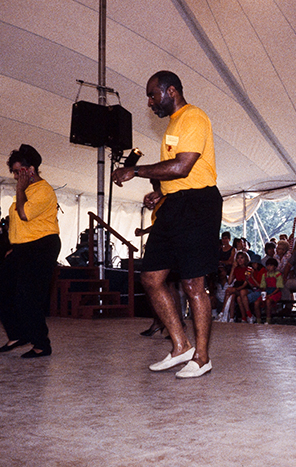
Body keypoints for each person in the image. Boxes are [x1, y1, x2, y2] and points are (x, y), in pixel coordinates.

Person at [112, 70, 222, 379]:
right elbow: (174, 172)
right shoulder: (173, 125)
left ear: (170, 90)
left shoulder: (194, 117)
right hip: (173, 205)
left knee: (193, 284)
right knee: (150, 278)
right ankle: (180, 347)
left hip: (198, 204)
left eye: (152, 94)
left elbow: (184, 166)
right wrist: (159, 192)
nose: (149, 102)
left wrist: (136, 171)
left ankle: (201, 357)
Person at [0, 145, 61, 358]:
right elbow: (19, 225)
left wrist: (20, 189)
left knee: (28, 296)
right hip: (24, 247)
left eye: (18, 171)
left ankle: (42, 344)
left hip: (42, 246)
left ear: (31, 169)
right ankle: (17, 334)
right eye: (13, 172)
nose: (15, 176)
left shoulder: (43, 190)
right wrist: (15, 247)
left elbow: (23, 214)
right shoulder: (26, 190)